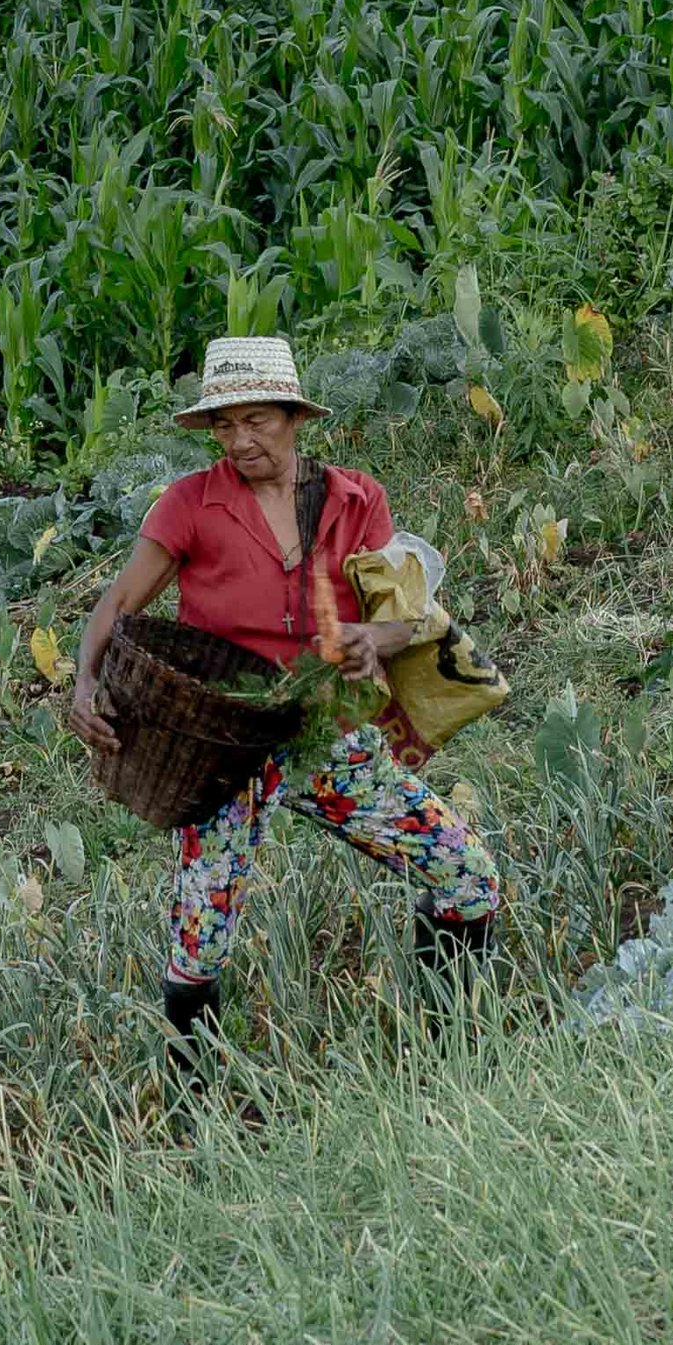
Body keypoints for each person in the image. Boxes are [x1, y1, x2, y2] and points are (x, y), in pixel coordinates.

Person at [64, 333, 501, 1062]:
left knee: (466, 873)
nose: (239, 440)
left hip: (325, 727)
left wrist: (373, 640)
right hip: (222, 739)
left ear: (295, 417)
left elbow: (402, 610)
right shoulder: (190, 505)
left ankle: (453, 1043)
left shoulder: (356, 499)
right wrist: (83, 682)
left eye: (257, 420)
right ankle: (192, 1097)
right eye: (225, 425)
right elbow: (119, 604)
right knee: (201, 932)